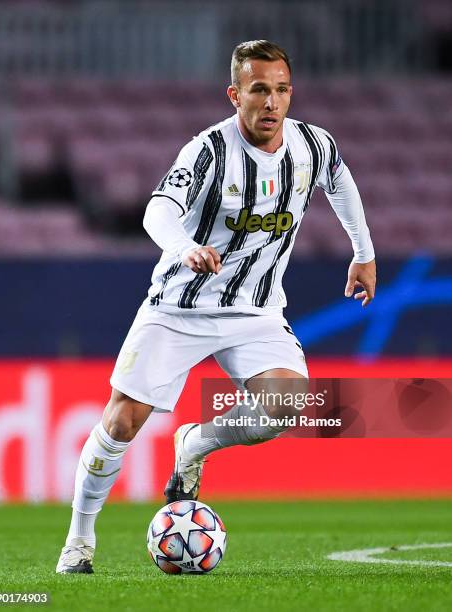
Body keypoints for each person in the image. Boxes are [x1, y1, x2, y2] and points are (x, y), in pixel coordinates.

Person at [56, 39, 376, 574]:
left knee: (288, 404)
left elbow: (339, 178)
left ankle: (195, 442)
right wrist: (184, 247)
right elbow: (158, 211)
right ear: (234, 95)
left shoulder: (312, 145)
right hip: (179, 306)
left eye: (280, 91)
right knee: (122, 422)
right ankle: (79, 541)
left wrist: (362, 252)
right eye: (258, 91)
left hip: (256, 311)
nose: (271, 103)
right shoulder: (208, 151)